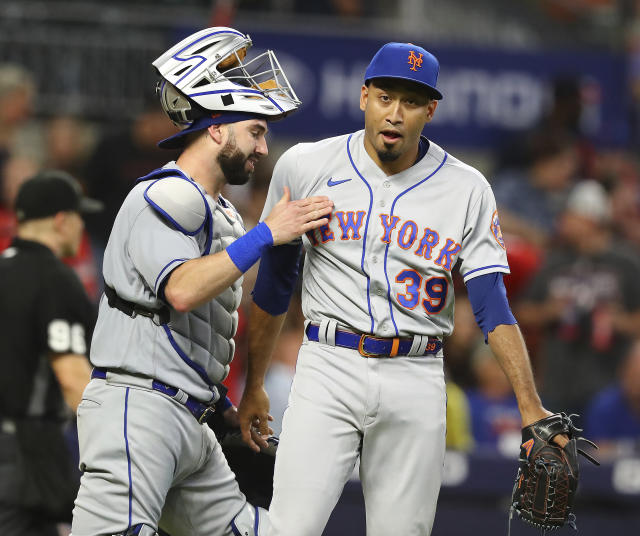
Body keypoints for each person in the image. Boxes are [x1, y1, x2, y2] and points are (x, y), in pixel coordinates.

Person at [238, 41, 566, 536]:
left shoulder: (467, 187)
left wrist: (528, 403)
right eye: (386, 97)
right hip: (329, 365)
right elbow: (274, 284)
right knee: (288, 529)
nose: (395, 113)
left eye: (410, 102)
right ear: (364, 95)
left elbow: (492, 305)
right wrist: (256, 383)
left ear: (430, 110)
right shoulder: (306, 164)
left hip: (416, 373)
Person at [70, 27, 332, 536]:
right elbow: (182, 291)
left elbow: (194, 327)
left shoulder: (223, 215)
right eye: (255, 130)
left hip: (192, 420)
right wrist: (267, 233)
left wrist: (227, 406)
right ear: (216, 129)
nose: (262, 147)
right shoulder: (165, 195)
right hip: (136, 408)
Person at [0, 170, 99, 535]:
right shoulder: (55, 279)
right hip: (21, 457)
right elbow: (73, 380)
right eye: (79, 217)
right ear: (62, 220)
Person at [517, 179, 640, 415]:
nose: (562, 222)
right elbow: (522, 312)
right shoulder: (554, 261)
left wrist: (621, 322)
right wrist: (548, 312)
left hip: (610, 386)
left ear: (591, 219)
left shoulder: (626, 263)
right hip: (557, 384)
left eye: (570, 216)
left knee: (602, 451)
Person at [584, 338, 640, 454]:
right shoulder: (603, 407)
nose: (636, 382)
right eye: (633, 374)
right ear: (622, 371)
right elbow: (598, 453)